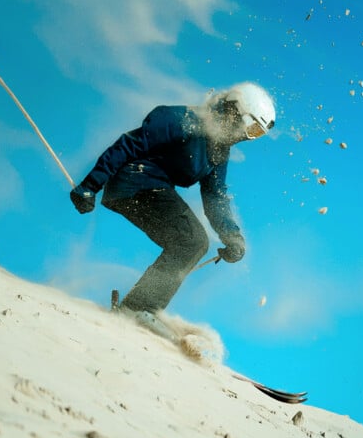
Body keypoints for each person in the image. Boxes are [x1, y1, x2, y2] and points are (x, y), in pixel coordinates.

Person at [69, 82, 275, 318]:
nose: (248, 138)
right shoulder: (185, 120)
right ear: (236, 113)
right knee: (192, 240)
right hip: (134, 182)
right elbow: (130, 144)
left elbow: (214, 195)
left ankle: (139, 308)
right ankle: (137, 309)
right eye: (252, 130)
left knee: (191, 242)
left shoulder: (218, 149)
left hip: (154, 188)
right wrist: (90, 185)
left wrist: (232, 236)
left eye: (256, 135)